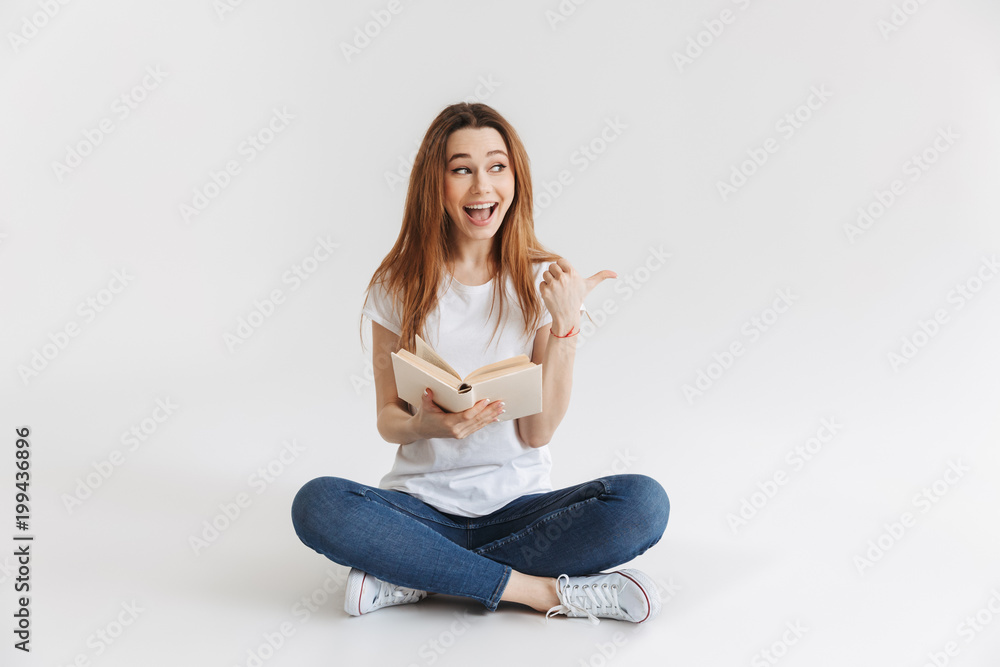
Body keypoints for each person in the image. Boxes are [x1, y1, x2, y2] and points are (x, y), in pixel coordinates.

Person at [290, 102, 669, 625]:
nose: (481, 187)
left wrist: (565, 329)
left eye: (496, 166)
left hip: (520, 515)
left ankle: (412, 573)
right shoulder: (397, 284)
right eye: (461, 169)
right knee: (317, 504)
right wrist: (426, 424)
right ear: (436, 184)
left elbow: (537, 433)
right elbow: (388, 420)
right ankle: (538, 593)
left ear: (515, 178)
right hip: (420, 512)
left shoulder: (543, 281)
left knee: (643, 502)